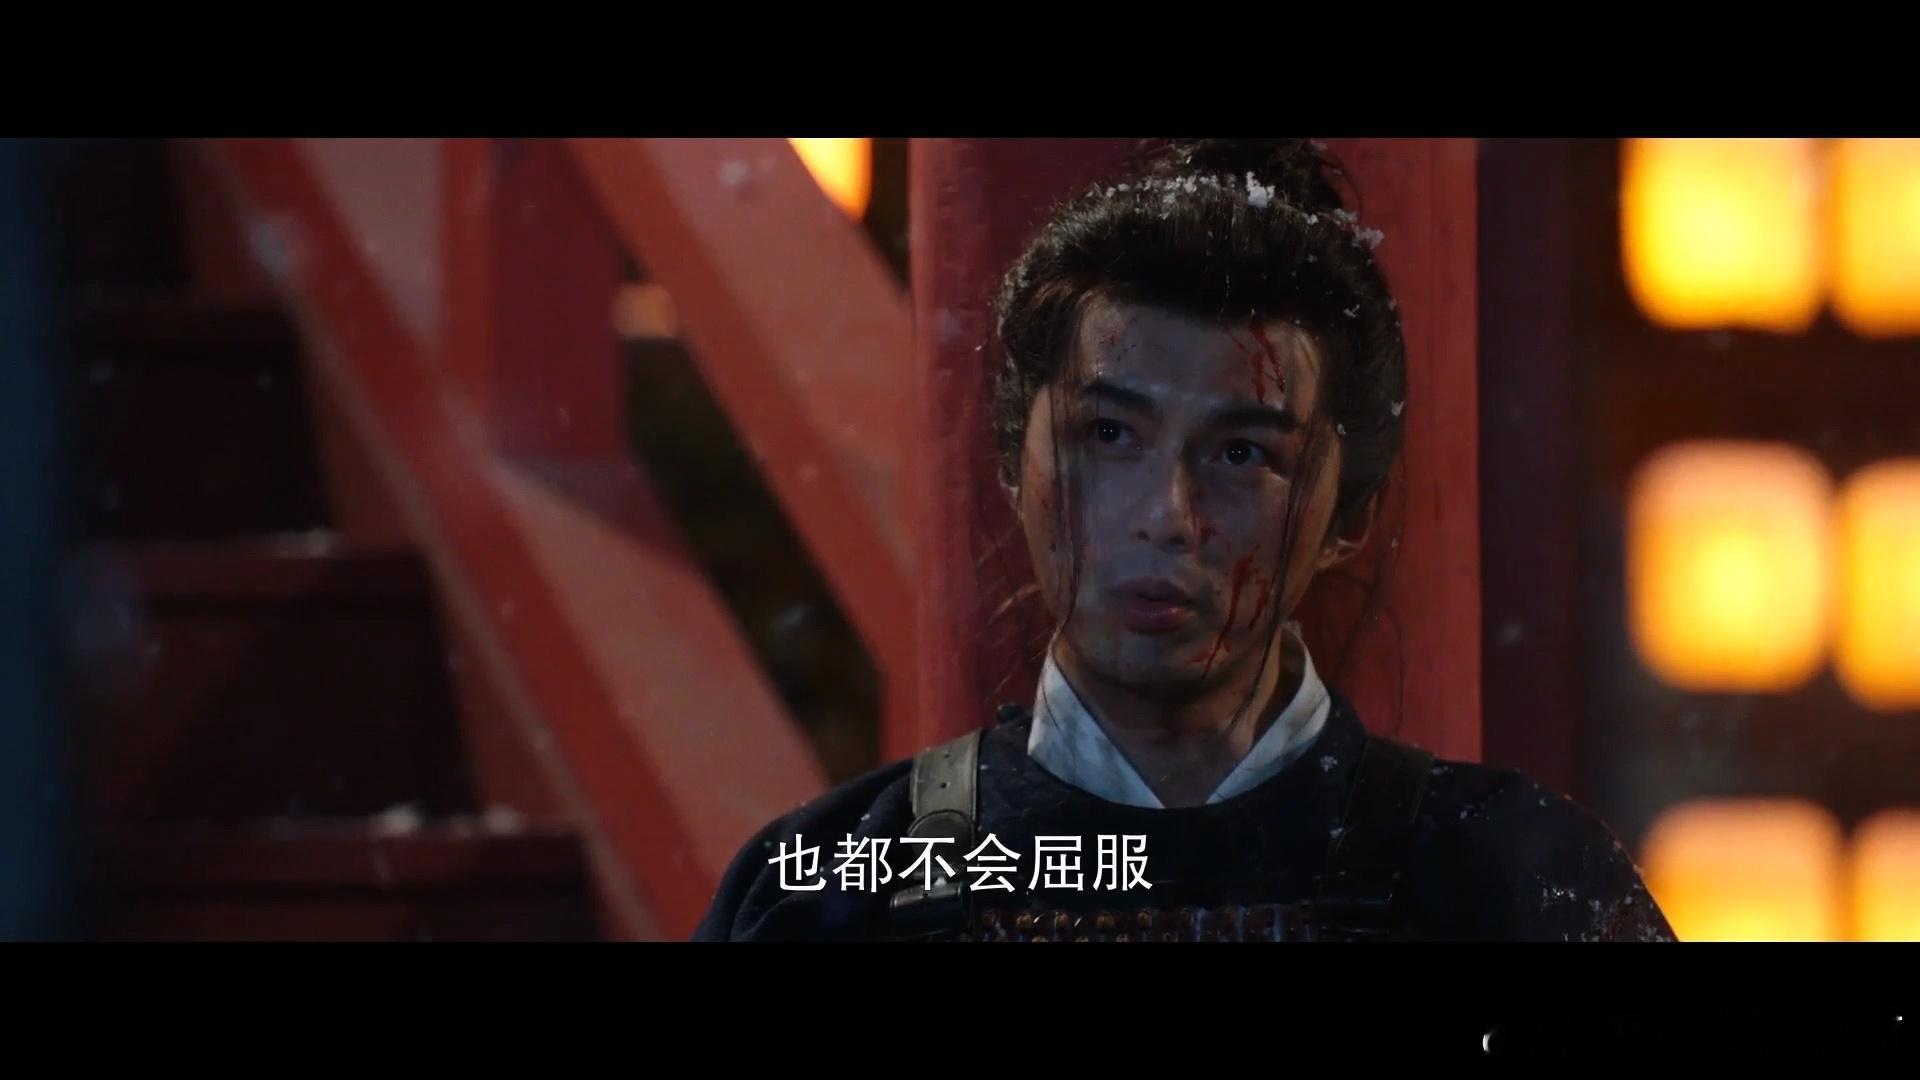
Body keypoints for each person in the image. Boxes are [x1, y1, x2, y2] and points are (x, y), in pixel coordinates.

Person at [692, 139, 1676, 942]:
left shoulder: (1510, 883)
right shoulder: (829, 890)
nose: (1167, 512)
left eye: (1244, 453)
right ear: (1012, 459)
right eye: (1108, 435)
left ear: (1350, 515)